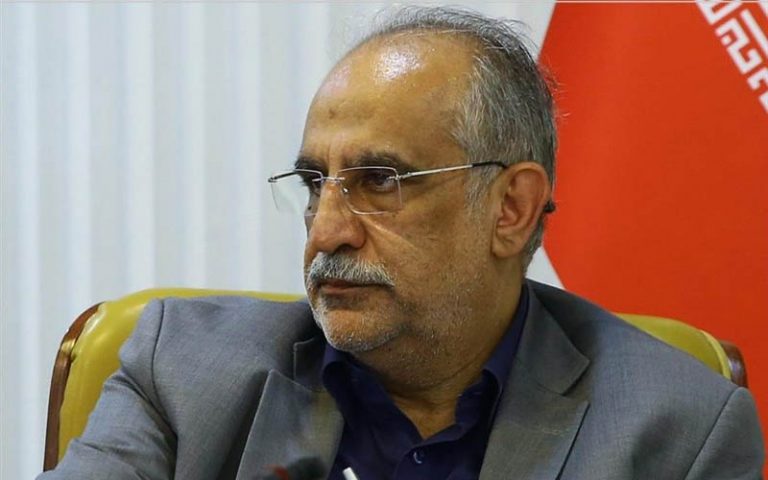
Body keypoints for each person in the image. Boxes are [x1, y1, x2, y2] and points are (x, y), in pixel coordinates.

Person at [40, 6, 764, 480]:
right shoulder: (181, 371)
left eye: (380, 180)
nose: (327, 232)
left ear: (511, 208)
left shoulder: (676, 431)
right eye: (314, 182)